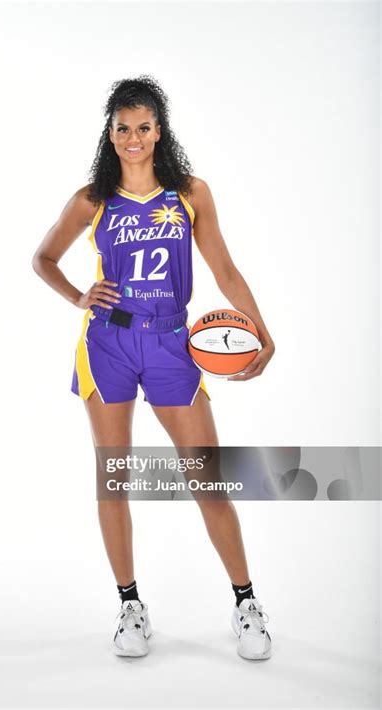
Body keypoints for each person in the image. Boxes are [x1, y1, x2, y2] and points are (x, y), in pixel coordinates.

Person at [32, 75, 275, 660]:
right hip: (108, 346)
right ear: (110, 133)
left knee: (206, 479)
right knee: (113, 478)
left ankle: (246, 602)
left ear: (159, 131)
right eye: (122, 128)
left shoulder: (190, 192)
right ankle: (130, 606)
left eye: (143, 127)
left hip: (171, 346)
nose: (132, 138)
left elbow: (225, 269)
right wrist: (78, 296)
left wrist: (262, 333)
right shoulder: (93, 198)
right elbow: (42, 258)